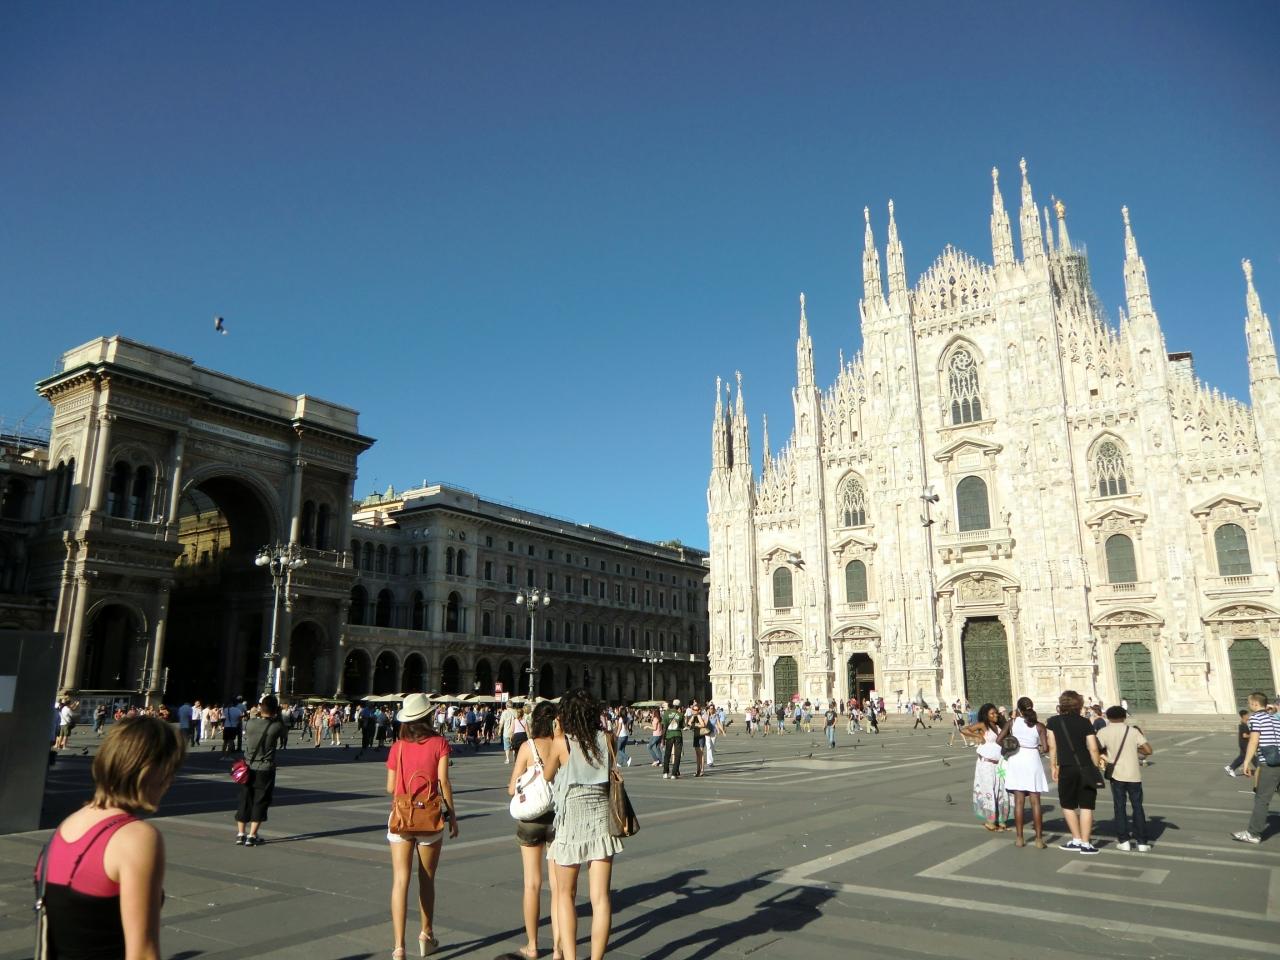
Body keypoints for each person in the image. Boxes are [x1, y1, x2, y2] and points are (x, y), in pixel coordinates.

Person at [37, 717, 185, 960]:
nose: (170, 782)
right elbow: (142, 954)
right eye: (170, 771)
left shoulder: (69, 824)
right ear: (150, 770)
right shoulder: (136, 838)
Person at [543, 688, 623, 960]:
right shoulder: (608, 738)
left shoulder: (562, 743)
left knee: (565, 895)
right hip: (601, 818)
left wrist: (557, 736)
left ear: (565, 715)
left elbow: (548, 775)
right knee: (601, 898)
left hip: (571, 822)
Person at [386, 693, 458, 957]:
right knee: (426, 878)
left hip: (402, 818)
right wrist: (452, 816)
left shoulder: (397, 747)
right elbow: (443, 782)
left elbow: (390, 787)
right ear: (428, 716)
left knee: (400, 880)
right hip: (429, 817)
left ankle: (399, 947)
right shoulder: (440, 743)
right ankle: (426, 934)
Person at [506, 701, 560, 959]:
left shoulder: (527, 747)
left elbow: (511, 788)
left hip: (530, 822)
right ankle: (559, 949)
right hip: (557, 818)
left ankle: (532, 945)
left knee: (532, 884)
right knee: (559, 888)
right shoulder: (562, 745)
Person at [1046, 689, 1105, 855]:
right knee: (1086, 806)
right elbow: (1093, 748)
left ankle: (1076, 839)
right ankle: (1086, 844)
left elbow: (1052, 746)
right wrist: (1094, 767)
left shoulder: (1053, 721)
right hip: (1085, 766)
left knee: (1067, 804)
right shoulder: (1085, 722)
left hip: (1066, 767)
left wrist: (1053, 766)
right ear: (1079, 704)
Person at [1096, 705, 1153, 851]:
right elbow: (1148, 750)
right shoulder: (1132, 731)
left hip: (1116, 774)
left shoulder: (1103, 732)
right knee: (1137, 807)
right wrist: (1134, 748)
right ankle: (1142, 842)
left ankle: (1124, 841)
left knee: (1119, 807)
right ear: (1124, 717)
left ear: (1108, 717)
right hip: (1134, 774)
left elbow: (1095, 748)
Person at [235, 695, 288, 846]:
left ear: (261, 707)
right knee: (261, 800)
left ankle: (240, 834)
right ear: (275, 709)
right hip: (265, 768)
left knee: (245, 798)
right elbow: (284, 734)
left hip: (247, 767)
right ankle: (252, 836)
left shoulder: (250, 723)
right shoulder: (276, 726)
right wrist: (278, 716)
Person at [998, 697, 1049, 848]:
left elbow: (999, 740)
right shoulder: (1039, 726)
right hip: (1032, 760)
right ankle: (1039, 840)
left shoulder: (1012, 722)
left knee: (1019, 802)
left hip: (1016, 759)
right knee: (1036, 802)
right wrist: (1036, 747)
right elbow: (1045, 748)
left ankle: (1019, 838)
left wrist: (1011, 745)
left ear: (1019, 710)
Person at [1232, 691, 1280, 844]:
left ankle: (1253, 833)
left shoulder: (1256, 718)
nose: (1248, 705)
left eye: (1249, 702)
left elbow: (1253, 741)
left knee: (1262, 799)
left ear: (1254, 704)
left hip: (1269, 763)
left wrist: (1246, 762)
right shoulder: (1275, 718)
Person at [961, 703, 1010, 831]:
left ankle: (1001, 820)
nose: (995, 715)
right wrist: (977, 736)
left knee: (1001, 790)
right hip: (986, 763)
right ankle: (991, 821)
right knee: (989, 790)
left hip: (1000, 763)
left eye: (996, 713)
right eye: (992, 714)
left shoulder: (999, 725)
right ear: (986, 715)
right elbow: (964, 729)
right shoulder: (983, 725)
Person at [661, 698, 685, 779]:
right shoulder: (680, 714)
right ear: (679, 706)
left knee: (667, 754)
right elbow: (682, 726)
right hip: (678, 735)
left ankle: (665, 772)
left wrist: (662, 739)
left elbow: (664, 727)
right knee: (677, 755)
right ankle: (674, 774)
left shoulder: (666, 713)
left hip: (669, 735)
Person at [1226, 708, 1251, 777]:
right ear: (1244, 716)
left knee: (1242, 757)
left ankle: (1231, 768)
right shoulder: (1243, 725)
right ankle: (1231, 768)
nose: (1249, 716)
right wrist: (1253, 735)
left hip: (1242, 743)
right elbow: (1244, 735)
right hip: (1244, 743)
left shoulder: (1243, 723)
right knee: (1248, 757)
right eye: (1248, 715)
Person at [690, 705, 709, 776]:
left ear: (699, 711)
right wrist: (693, 722)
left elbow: (703, 725)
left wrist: (695, 725)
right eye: (693, 709)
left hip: (701, 735)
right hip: (696, 735)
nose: (694, 711)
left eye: (696, 710)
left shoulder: (699, 716)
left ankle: (702, 770)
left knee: (701, 753)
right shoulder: (694, 716)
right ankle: (698, 769)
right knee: (697, 754)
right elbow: (689, 723)